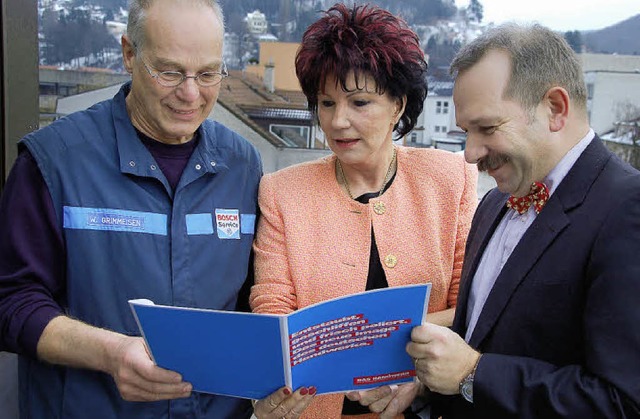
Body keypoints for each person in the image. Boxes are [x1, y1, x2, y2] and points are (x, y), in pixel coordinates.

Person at [0, 0, 261, 417]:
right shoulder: (55, 162)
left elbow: (257, 302)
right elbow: (11, 302)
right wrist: (112, 353)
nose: (190, 93)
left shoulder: (242, 166)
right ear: (128, 54)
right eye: (170, 71)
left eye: (208, 73)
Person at [249, 4, 478, 419]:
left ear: (398, 105)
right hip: (311, 406)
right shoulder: (282, 191)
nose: (338, 122)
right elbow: (272, 307)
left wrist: (407, 369)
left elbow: (470, 306)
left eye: (359, 102)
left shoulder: (450, 178)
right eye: (326, 102)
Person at [405, 23, 640, 418]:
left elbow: (622, 402)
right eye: (466, 132)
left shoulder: (627, 210)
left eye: (487, 128)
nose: (470, 153)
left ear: (555, 109)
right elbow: (476, 340)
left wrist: (473, 374)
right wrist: (424, 384)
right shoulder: (494, 204)